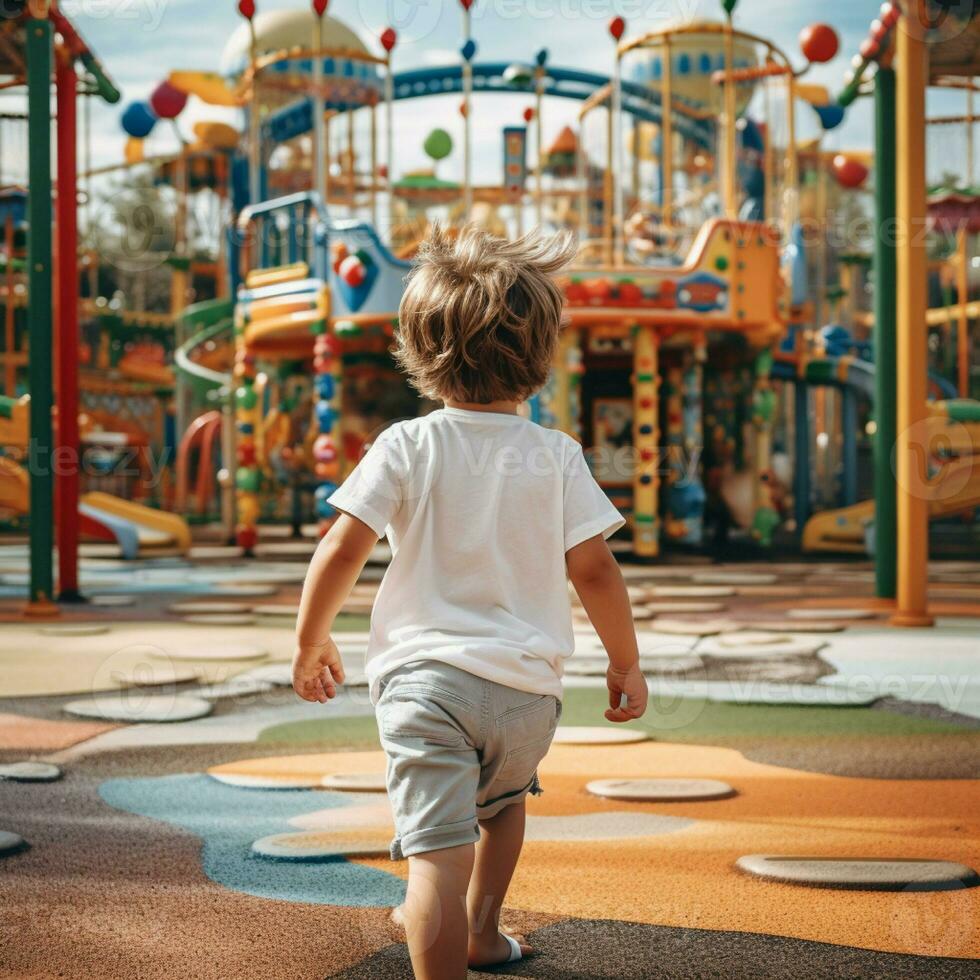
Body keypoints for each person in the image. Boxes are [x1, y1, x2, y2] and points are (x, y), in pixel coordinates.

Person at [292, 226, 648, 979]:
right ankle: (485, 932)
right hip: (525, 691)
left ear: (421, 350)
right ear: (541, 356)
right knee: (505, 803)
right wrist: (626, 660)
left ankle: (447, 935)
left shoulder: (406, 444)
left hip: (425, 686)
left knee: (433, 862)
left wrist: (310, 641)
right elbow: (595, 571)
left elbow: (343, 548)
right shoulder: (554, 453)